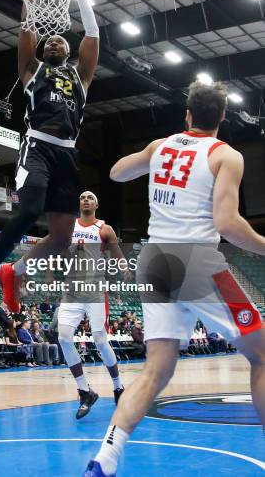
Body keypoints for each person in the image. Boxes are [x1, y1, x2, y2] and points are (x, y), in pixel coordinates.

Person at [84, 81, 265, 476]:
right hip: (196, 261)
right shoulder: (226, 155)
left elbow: (115, 173)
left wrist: (153, 160)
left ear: (187, 114)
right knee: (262, 354)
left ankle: (105, 458)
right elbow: (227, 224)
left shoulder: (161, 145)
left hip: (154, 260)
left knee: (156, 370)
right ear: (221, 117)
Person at [0, 0, 100, 321]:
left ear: (68, 51)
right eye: (49, 41)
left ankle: (15, 271)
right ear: (43, 51)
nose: (54, 41)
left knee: (60, 238)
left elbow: (93, 33)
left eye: (61, 40)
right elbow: (26, 29)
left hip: (68, 154)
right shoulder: (32, 70)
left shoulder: (81, 76)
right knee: (29, 210)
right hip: (38, 145)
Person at [56, 191, 126, 419]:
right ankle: (85, 391)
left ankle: (118, 386)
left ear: (96, 204)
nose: (86, 199)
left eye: (90, 197)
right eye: (82, 197)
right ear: (79, 203)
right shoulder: (69, 227)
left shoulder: (105, 229)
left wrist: (125, 270)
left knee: (100, 340)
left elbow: (118, 256)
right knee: (64, 338)